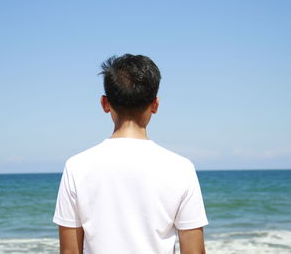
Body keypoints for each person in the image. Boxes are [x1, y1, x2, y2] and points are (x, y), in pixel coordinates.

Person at [53, 54, 208, 254]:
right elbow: (194, 251)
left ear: (104, 103)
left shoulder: (77, 166)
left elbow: (70, 252)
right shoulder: (181, 168)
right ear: (155, 105)